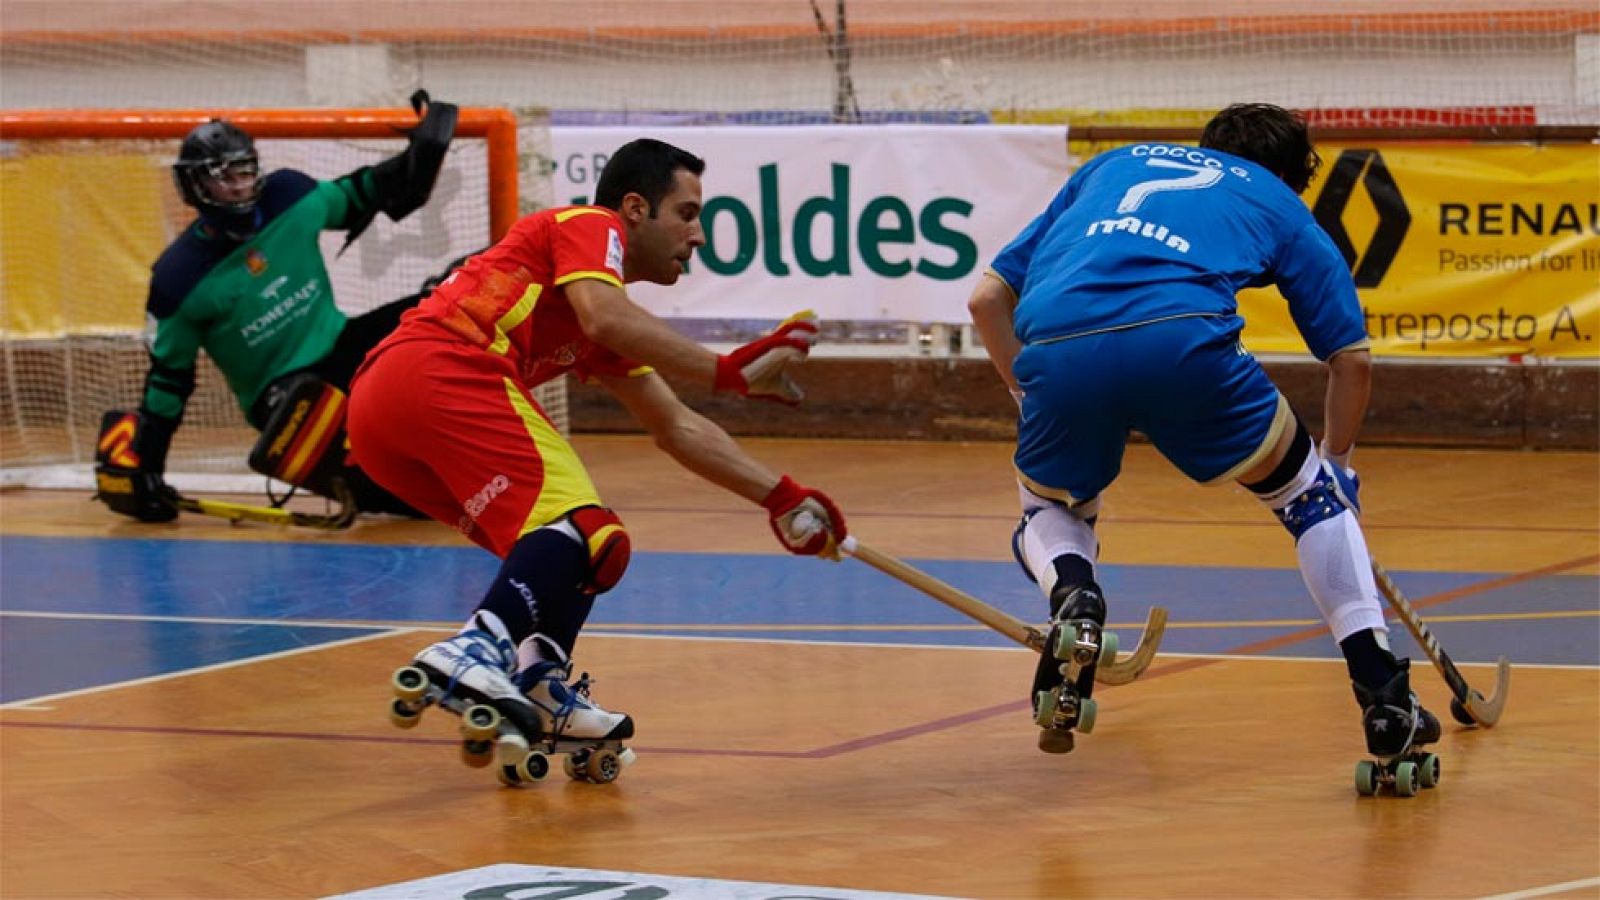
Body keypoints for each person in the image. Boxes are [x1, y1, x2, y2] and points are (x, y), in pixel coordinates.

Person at [968, 103, 1440, 766]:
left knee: (1051, 505)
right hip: (1182, 341)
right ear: (1292, 174)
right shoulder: (1277, 201)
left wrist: (1031, 392)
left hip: (1060, 342)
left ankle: (1074, 593)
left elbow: (987, 300)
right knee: (1309, 503)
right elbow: (1351, 360)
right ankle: (1385, 699)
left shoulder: (1111, 165)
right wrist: (1336, 464)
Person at [345, 138, 847, 760]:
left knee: (593, 549)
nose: (698, 237)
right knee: (579, 527)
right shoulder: (589, 225)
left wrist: (781, 498)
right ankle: (474, 647)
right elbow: (607, 319)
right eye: (687, 214)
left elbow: (674, 426)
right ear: (635, 209)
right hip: (442, 369)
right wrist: (729, 371)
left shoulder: (600, 310)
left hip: (382, 420)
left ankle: (539, 682)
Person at [94, 91, 458, 523]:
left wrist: (420, 157)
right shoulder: (177, 280)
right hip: (282, 393)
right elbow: (168, 382)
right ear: (194, 186)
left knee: (449, 298)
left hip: (341, 345)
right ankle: (402, 491)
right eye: (222, 177)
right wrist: (149, 465)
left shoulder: (289, 196)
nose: (238, 186)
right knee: (314, 413)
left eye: (244, 172)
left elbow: (361, 193)